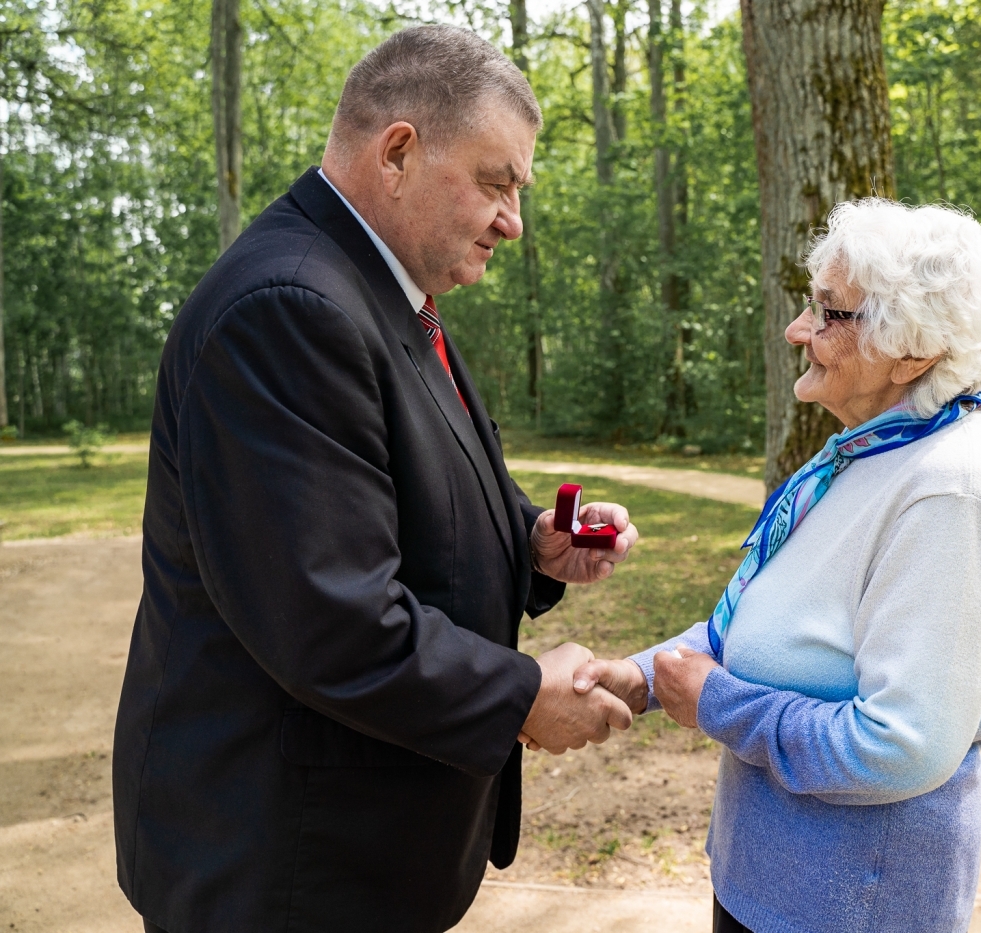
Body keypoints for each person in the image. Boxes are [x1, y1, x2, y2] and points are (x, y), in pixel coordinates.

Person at [112, 26, 638, 933]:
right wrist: (521, 697)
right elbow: (331, 617)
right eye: (498, 181)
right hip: (288, 868)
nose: (514, 220)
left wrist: (534, 546)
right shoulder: (289, 308)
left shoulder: (384, 295)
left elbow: (401, 498)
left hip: (353, 858)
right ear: (398, 151)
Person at [577, 199, 981, 933]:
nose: (798, 331)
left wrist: (719, 703)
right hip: (771, 887)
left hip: (850, 906)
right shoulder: (872, 449)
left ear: (913, 352)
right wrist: (642, 676)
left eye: (829, 314)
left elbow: (900, 747)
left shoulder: (953, 486)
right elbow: (776, 625)